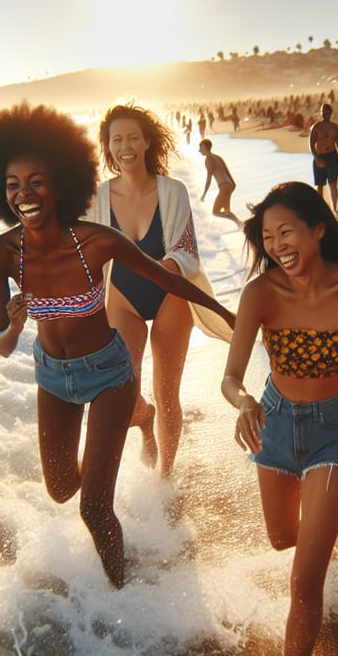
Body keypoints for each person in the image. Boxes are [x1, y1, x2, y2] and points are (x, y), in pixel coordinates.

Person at [0, 103, 234, 587]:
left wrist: (232, 315)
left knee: (102, 493)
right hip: (81, 341)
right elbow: (4, 343)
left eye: (37, 181)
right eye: (12, 184)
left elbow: (181, 260)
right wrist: (13, 324)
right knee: (66, 484)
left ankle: (149, 518)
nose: (25, 193)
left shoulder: (144, 208)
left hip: (140, 326)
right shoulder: (7, 249)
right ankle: (140, 420)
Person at [222, 182, 338, 656]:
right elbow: (231, 377)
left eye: (286, 232)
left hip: (334, 430)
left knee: (304, 581)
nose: (277, 246)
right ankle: (317, 543)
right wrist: (244, 402)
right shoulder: (259, 293)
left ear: (318, 229)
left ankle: (316, 558)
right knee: (281, 540)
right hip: (272, 421)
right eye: (268, 237)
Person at [89, 103, 233, 477]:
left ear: (147, 141)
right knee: (126, 397)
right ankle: (143, 418)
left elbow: (186, 253)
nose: (126, 146)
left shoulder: (172, 191)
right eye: (117, 139)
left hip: (171, 293)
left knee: (168, 394)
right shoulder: (98, 199)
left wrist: (158, 268)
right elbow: (84, 256)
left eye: (133, 137)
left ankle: (165, 479)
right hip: (122, 296)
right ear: (107, 145)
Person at [309, 103, 338, 215]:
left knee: (333, 183)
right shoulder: (316, 127)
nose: (325, 113)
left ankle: (334, 208)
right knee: (320, 185)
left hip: (332, 156)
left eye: (327, 111)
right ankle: (321, 208)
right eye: (323, 111)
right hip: (319, 156)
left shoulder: (335, 127)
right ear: (321, 113)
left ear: (330, 113)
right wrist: (316, 158)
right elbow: (311, 144)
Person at [198, 138, 243, 229]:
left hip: (224, 187)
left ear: (205, 147)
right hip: (229, 185)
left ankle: (240, 223)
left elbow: (209, 179)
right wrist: (231, 187)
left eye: (200, 147)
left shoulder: (208, 160)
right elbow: (228, 173)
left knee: (215, 212)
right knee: (227, 211)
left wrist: (204, 194)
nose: (199, 150)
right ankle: (240, 226)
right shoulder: (218, 157)